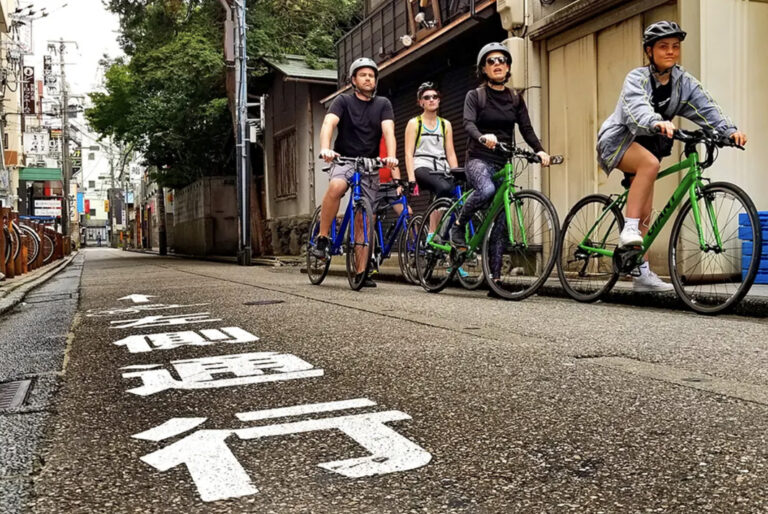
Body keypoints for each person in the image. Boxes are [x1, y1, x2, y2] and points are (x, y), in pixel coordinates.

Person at [596, 21, 748, 292]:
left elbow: (706, 105)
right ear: (649, 51)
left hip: (651, 145)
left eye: (675, 47)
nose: (670, 52)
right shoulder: (636, 78)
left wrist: (729, 131)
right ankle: (627, 229)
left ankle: (639, 272)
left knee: (646, 209)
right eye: (663, 47)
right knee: (649, 165)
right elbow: (637, 108)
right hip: (619, 141)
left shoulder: (683, 81)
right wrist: (656, 122)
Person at [450, 42, 551, 293]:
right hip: (478, 159)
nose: (498, 65)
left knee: (502, 222)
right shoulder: (476, 96)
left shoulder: (515, 98)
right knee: (484, 191)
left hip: (503, 161)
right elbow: (468, 124)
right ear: (483, 68)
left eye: (502, 61)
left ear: (508, 68)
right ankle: (458, 226)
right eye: (491, 61)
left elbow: (526, 129)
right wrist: (483, 136)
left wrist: (540, 150)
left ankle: (495, 280)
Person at [313, 57, 399, 288]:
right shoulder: (343, 101)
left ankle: (362, 271)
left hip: (370, 163)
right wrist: (325, 148)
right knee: (337, 187)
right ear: (353, 80)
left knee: (365, 217)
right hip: (344, 159)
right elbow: (328, 124)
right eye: (363, 75)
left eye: (371, 75)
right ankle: (323, 237)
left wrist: (390, 157)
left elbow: (388, 132)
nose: (368, 78)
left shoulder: (383, 104)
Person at [403, 82, 468, 277]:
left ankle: (454, 254)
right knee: (442, 189)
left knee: (458, 201)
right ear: (420, 102)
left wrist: (457, 173)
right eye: (427, 97)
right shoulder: (415, 123)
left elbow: (450, 152)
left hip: (442, 167)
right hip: (422, 166)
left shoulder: (445, 124)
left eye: (434, 97)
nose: (431, 100)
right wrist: (412, 179)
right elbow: (408, 153)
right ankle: (432, 232)